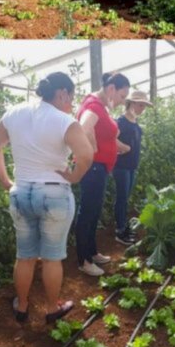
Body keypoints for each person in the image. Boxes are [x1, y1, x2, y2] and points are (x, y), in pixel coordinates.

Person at [0, 72, 95, 325]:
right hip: (54, 193)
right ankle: (51, 308)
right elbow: (86, 155)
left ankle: (22, 306)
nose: (71, 102)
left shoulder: (15, 113)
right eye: (71, 96)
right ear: (62, 93)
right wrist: (75, 176)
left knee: (24, 255)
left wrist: (5, 180)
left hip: (21, 191)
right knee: (51, 257)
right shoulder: (64, 120)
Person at [75, 73, 132, 276]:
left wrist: (119, 146)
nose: (122, 101)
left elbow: (100, 134)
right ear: (111, 89)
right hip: (93, 168)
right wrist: (91, 150)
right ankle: (84, 260)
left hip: (99, 168)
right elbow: (83, 127)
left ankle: (92, 252)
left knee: (93, 212)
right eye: (122, 96)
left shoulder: (100, 107)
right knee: (87, 213)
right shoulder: (93, 106)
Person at [112, 90, 153, 246]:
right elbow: (110, 138)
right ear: (132, 103)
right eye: (141, 105)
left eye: (144, 106)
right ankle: (120, 231)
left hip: (131, 166)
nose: (143, 109)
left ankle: (124, 226)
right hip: (121, 166)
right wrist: (124, 147)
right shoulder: (121, 121)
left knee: (125, 198)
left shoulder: (134, 122)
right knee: (122, 198)